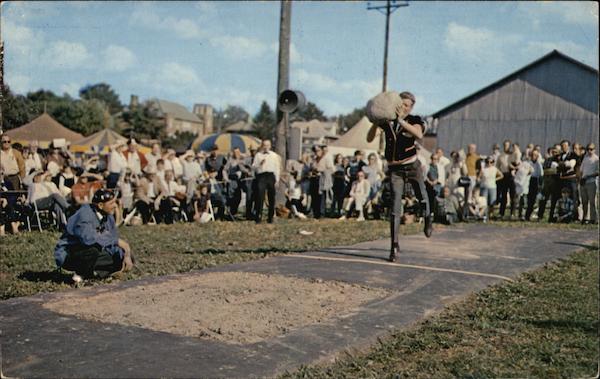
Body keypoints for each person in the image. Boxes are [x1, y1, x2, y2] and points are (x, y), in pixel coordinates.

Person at [367, 91, 432, 262]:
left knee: (422, 197)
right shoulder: (388, 122)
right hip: (395, 169)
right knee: (395, 207)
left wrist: (400, 121)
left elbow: (418, 134)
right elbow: (369, 138)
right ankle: (394, 245)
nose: (404, 107)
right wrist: (375, 122)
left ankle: (427, 219)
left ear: (411, 108)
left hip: (412, 165)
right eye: (401, 104)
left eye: (407, 105)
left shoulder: (415, 120)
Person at [54, 189, 133, 283]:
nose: (115, 206)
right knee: (92, 251)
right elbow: (88, 239)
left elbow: (112, 240)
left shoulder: (108, 216)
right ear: (100, 205)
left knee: (120, 255)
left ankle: (94, 273)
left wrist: (125, 254)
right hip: (71, 253)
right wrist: (118, 242)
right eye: (111, 203)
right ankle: (79, 275)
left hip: (92, 250)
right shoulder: (84, 214)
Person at [252, 140, 281, 223]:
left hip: (271, 176)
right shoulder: (258, 155)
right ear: (262, 146)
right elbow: (253, 167)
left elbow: (277, 168)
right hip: (261, 176)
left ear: (270, 146)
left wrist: (277, 180)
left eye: (267, 145)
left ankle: (271, 216)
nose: (266, 147)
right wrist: (259, 164)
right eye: (264, 145)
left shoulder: (274, 155)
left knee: (271, 196)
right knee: (260, 196)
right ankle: (258, 216)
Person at [478, 156, 503, 221]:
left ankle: (490, 215)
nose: (489, 163)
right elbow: (479, 177)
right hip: (484, 186)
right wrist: (480, 180)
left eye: (491, 162)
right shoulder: (483, 169)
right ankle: (484, 215)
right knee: (484, 202)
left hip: (492, 187)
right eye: (487, 162)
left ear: (493, 163)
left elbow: (501, 175)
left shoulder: (495, 169)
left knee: (492, 202)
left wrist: (495, 179)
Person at [580, 143, 598, 224]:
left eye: (591, 149)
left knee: (592, 201)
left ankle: (593, 218)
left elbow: (598, 172)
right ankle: (585, 217)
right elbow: (581, 170)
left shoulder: (596, 159)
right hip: (583, 181)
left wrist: (589, 176)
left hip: (591, 182)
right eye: (588, 149)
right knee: (584, 201)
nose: (589, 151)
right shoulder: (585, 158)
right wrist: (581, 178)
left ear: (594, 149)